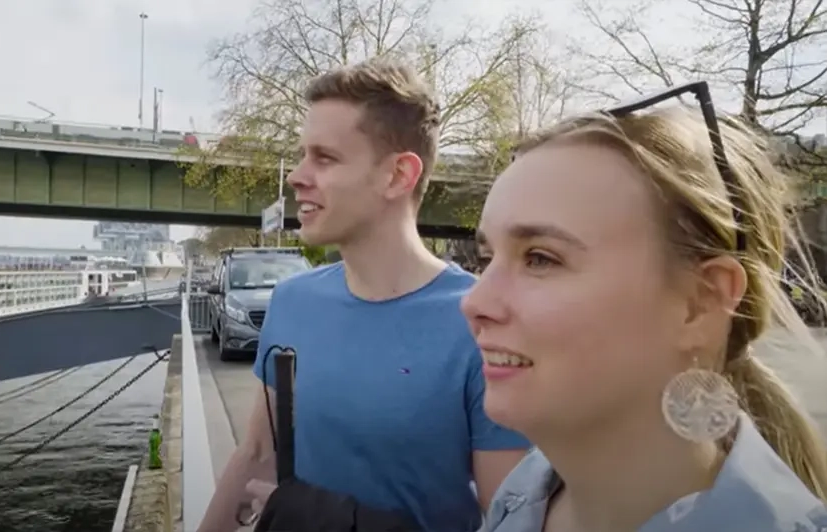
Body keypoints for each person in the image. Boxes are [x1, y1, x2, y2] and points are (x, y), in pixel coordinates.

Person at [463, 92, 827, 531]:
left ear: (700, 303)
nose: (474, 302)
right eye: (487, 259)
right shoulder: (526, 491)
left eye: (540, 258)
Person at [197, 58, 531, 532]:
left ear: (398, 175)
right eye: (302, 155)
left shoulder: (482, 320)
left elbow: (506, 520)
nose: (297, 175)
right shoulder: (292, 302)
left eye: (324, 158)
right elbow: (256, 454)